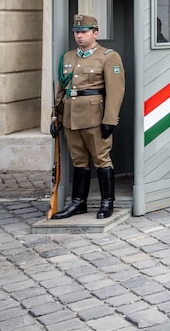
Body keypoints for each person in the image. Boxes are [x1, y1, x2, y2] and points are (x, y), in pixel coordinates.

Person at [52, 14, 126, 220]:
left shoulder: (108, 56)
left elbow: (115, 91)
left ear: (95, 33)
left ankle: (106, 202)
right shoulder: (67, 57)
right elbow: (61, 88)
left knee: (101, 159)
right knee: (79, 160)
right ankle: (78, 203)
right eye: (76, 32)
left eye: (84, 32)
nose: (79, 36)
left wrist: (110, 120)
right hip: (70, 117)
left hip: (95, 117)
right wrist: (55, 116)